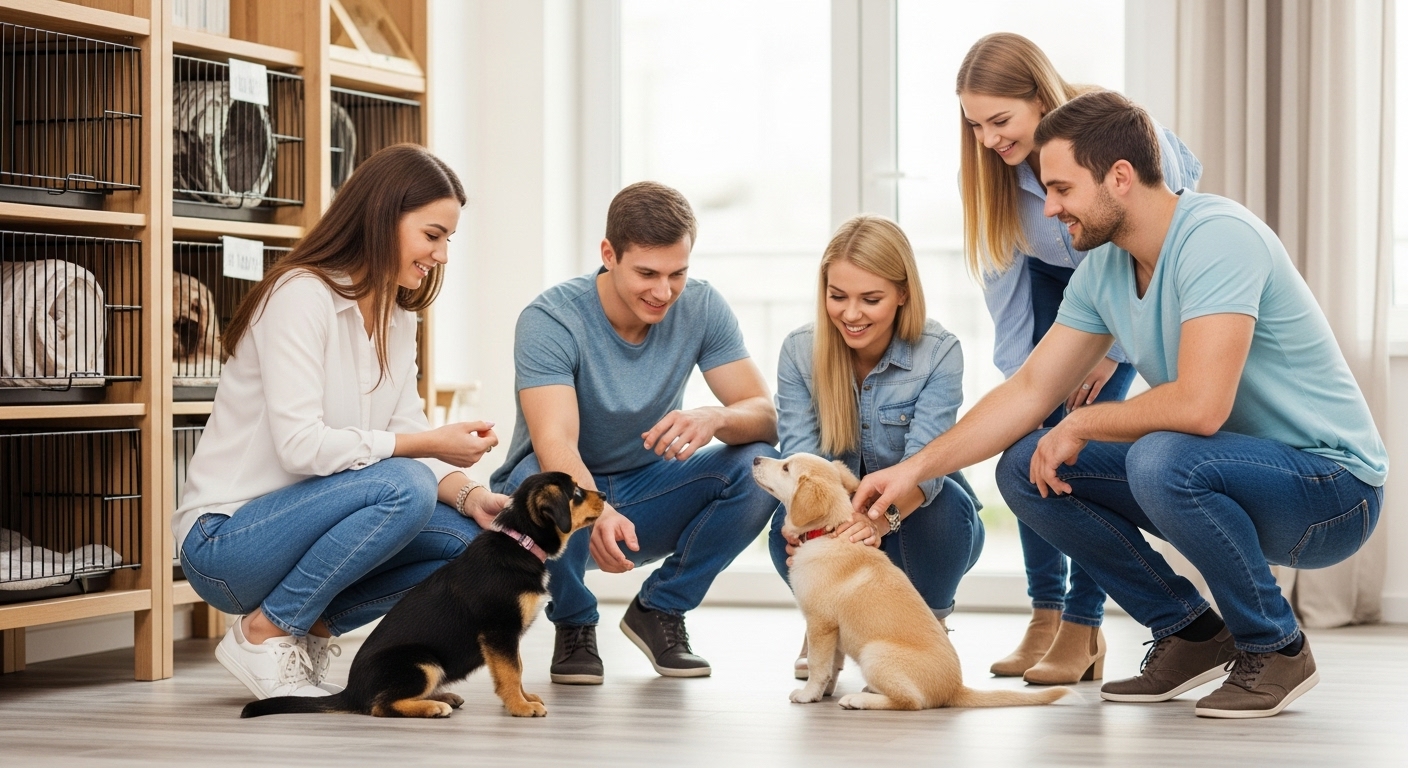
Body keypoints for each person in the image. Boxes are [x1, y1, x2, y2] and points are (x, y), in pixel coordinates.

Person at [851, 91, 1387, 719]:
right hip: (1240, 474)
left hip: (1332, 491)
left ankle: (1276, 648)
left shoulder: (1218, 237)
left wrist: (1084, 421)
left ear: (1121, 177)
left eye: (1061, 189)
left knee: (1163, 457)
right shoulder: (1105, 269)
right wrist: (914, 470)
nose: (1050, 208)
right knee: (1025, 465)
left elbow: (1202, 407)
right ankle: (1189, 632)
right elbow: (1030, 390)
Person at [174, 144, 510, 700]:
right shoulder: (299, 295)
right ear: (382, 218)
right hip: (225, 543)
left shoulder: (398, 317)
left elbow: (409, 431)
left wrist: (470, 494)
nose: (443, 255)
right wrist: (426, 445)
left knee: (470, 543)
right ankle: (264, 632)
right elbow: (301, 447)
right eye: (432, 235)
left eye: (448, 239)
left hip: (303, 529)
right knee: (405, 484)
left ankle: (305, 632)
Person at [955, 32, 1203, 684]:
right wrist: (1026, 386)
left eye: (1000, 121)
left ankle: (1083, 625)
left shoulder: (1110, 129)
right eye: (975, 124)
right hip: (1049, 285)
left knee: (1075, 450)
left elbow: (1171, 211)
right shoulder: (990, 172)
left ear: (1041, 97)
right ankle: (1045, 613)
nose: (988, 139)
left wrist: (1110, 349)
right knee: (1030, 436)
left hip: (1123, 274)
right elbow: (1004, 283)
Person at [489, 181, 780, 685]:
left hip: (649, 494)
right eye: (647, 273)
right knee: (538, 479)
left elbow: (764, 415)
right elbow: (554, 441)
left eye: (677, 274)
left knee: (757, 466)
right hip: (562, 503)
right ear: (609, 255)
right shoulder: (550, 319)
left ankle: (660, 608)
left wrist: (713, 417)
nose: (663, 292)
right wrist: (597, 508)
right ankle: (574, 622)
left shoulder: (702, 306)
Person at [769, 215, 984, 679]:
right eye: (838, 296)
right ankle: (826, 620)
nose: (851, 314)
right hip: (841, 524)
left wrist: (877, 522)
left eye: (870, 299)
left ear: (903, 293)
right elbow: (803, 460)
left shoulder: (938, 352)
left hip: (918, 516)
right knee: (783, 525)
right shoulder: (799, 351)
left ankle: (925, 626)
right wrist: (833, 527)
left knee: (948, 509)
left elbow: (926, 465)